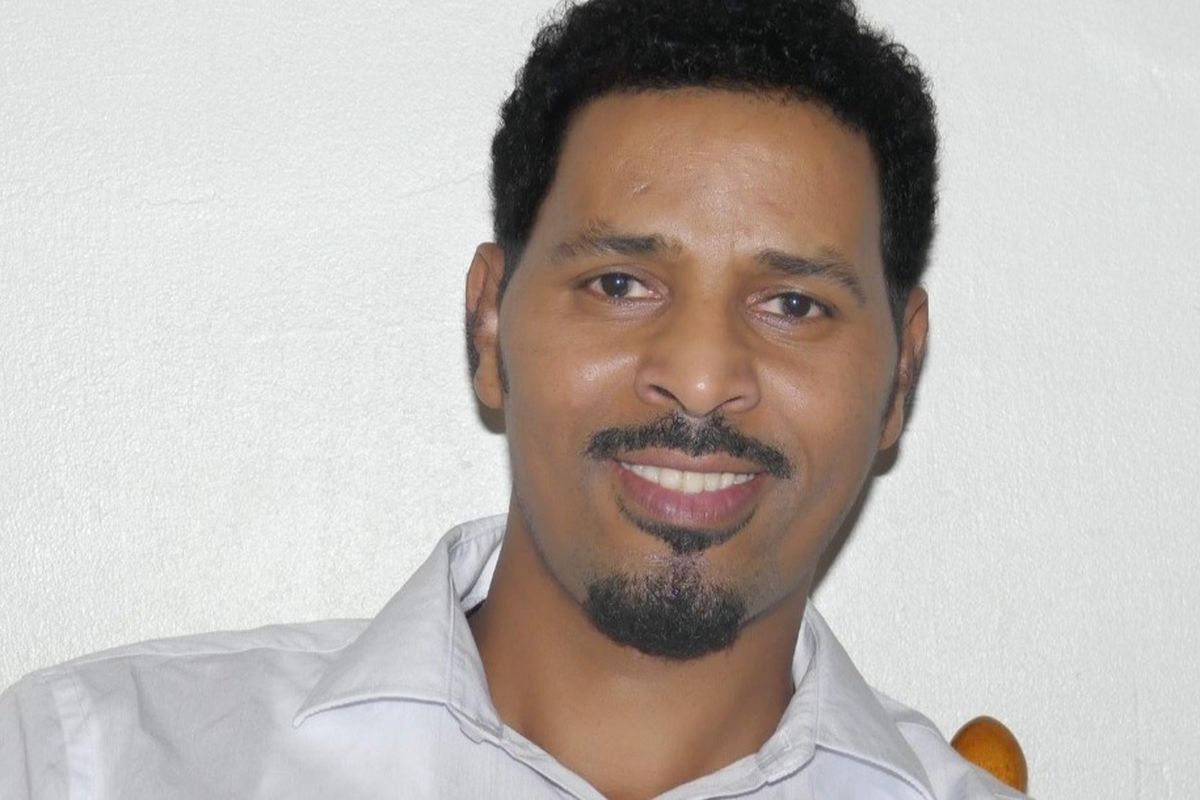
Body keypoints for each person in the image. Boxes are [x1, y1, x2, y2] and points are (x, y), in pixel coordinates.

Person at [0, 0, 1029, 797]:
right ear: (489, 325)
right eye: (620, 284)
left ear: (900, 375)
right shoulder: (90, 763)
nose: (702, 376)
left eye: (794, 303)